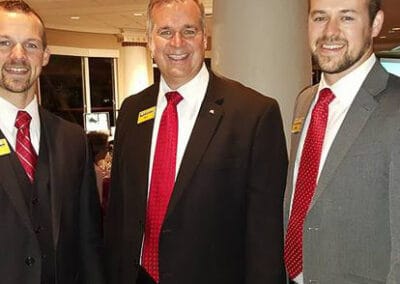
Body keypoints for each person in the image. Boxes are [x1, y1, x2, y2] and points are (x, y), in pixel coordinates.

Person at [104, 0, 288, 283]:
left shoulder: (253, 114)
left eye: (189, 31)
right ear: (149, 41)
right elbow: (118, 211)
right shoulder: (132, 110)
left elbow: (266, 232)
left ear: (205, 37)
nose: (177, 43)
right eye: (165, 32)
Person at [283, 0, 400, 283]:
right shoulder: (306, 101)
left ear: (375, 23)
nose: (330, 31)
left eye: (347, 18)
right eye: (320, 17)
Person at [0, 1, 105, 283]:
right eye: (4, 42)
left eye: (31, 45)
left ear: (45, 55)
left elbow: (89, 242)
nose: (18, 56)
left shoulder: (72, 140)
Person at [87, 131, 111, 210]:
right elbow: (99, 203)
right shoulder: (96, 172)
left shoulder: (84, 166)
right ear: (100, 149)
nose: (108, 151)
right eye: (107, 148)